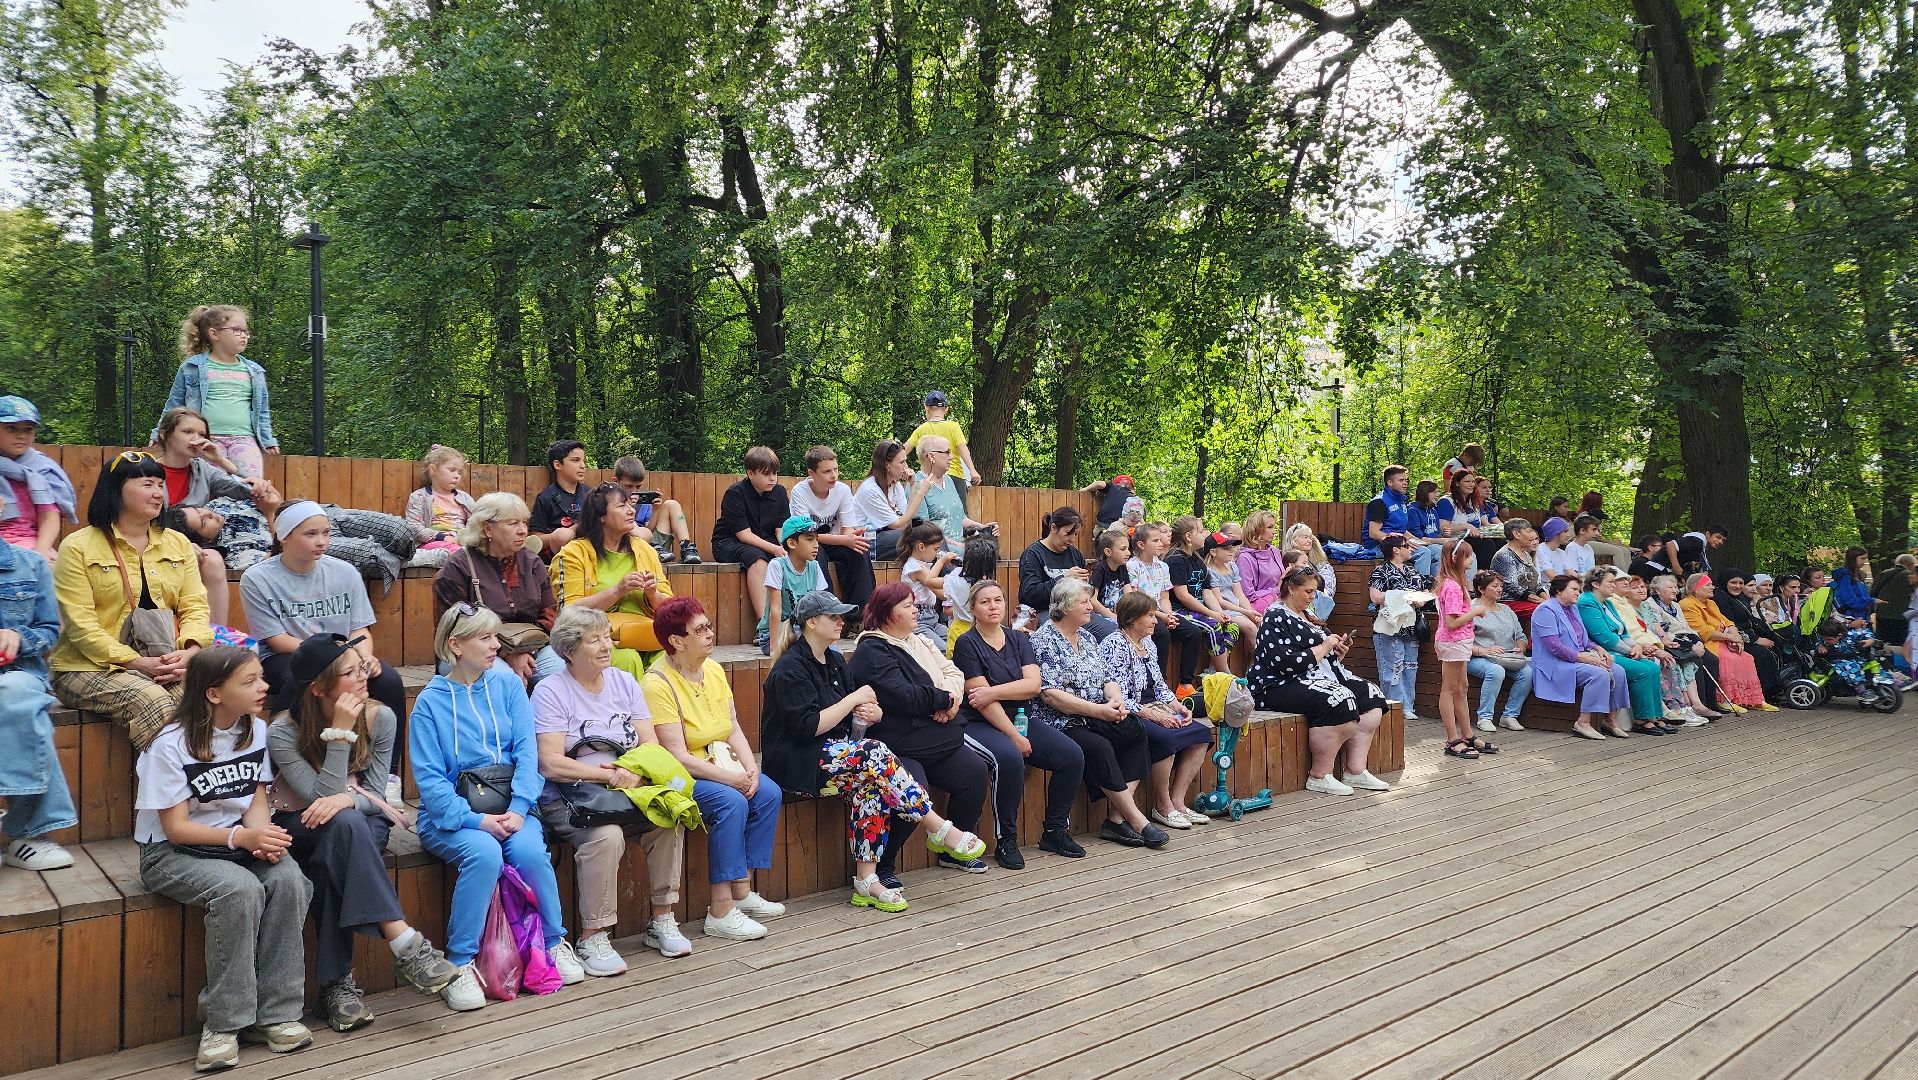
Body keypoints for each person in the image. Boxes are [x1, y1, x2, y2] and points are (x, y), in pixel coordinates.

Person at [265, 634, 459, 1030]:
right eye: (350, 673)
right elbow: (318, 800)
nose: (364, 676)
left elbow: (377, 793)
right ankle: (405, 943)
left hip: (360, 818)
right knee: (340, 833)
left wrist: (350, 801)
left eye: (362, 667)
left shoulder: (380, 717)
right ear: (318, 688)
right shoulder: (283, 732)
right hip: (300, 822)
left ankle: (337, 987)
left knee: (338, 847)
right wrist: (339, 732)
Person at [136, 647, 311, 1070]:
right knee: (239, 890)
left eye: (260, 678)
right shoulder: (170, 745)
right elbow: (176, 828)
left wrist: (263, 836)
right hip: (171, 853)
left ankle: (277, 1014)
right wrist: (243, 838)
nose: (264, 686)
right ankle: (224, 1023)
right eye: (249, 682)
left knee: (288, 879)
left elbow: (255, 799)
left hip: (235, 842)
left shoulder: (256, 729)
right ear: (214, 694)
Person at [760, 591, 986, 911]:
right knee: (874, 753)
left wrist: (872, 713)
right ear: (811, 623)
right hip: (796, 761)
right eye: (833, 617)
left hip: (834, 754)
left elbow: (858, 710)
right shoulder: (790, 668)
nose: (841, 622)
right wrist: (853, 702)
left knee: (873, 780)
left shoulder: (836, 659)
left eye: (842, 615)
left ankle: (866, 880)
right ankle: (938, 828)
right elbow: (808, 727)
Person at [409, 604, 583, 1010]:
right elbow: (431, 784)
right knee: (484, 854)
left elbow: (528, 753)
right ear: (455, 645)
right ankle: (459, 964)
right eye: (484, 637)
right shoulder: (429, 704)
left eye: (495, 636)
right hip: (452, 816)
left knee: (527, 850)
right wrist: (476, 820)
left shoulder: (507, 687)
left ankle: (554, 944)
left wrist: (521, 808)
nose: (495, 645)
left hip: (512, 805)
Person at [531, 606, 692, 968]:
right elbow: (550, 763)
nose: (606, 645)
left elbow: (649, 744)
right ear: (570, 650)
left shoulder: (623, 681)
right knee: (607, 837)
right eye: (595, 640)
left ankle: (662, 918)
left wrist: (634, 772)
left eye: (607, 636)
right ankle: (593, 937)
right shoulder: (550, 691)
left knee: (670, 818)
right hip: (571, 798)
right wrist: (608, 775)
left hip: (627, 788)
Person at [643, 597, 787, 938]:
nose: (710, 633)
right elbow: (676, 755)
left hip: (719, 760)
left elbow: (733, 726)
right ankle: (720, 910)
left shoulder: (713, 668)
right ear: (676, 642)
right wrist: (732, 779)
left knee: (767, 791)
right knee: (730, 801)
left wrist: (750, 769)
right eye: (700, 629)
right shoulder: (656, 683)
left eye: (708, 625)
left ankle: (742, 890)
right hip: (679, 774)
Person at [51, 451, 212, 751]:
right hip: (85, 667)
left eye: (160, 485)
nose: (158, 493)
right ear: (116, 488)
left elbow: (195, 606)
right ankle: (173, 795)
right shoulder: (78, 546)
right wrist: (137, 663)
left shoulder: (177, 543)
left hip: (164, 660)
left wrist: (190, 652)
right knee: (151, 701)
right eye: (147, 484)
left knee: (209, 692)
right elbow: (80, 626)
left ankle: (203, 788)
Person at [849, 582, 997, 881]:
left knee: (974, 773)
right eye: (907, 605)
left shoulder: (919, 641)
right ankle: (886, 866)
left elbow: (954, 673)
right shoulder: (872, 649)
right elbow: (903, 694)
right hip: (900, 746)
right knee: (915, 792)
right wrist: (943, 699)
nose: (915, 609)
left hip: (941, 739)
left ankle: (949, 851)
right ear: (887, 613)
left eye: (914, 604)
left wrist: (951, 704)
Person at [241, 501, 408, 748]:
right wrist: (334, 657)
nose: (321, 541)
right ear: (284, 537)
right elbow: (276, 639)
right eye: (311, 534)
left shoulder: (346, 571)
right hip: (288, 654)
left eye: (326, 533)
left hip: (345, 652)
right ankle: (284, 764)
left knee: (387, 681)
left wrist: (364, 657)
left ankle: (390, 775)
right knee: (298, 680)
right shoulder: (256, 578)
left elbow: (360, 628)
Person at [952, 578, 1087, 867]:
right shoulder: (967, 643)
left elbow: (1033, 686)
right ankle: (1007, 840)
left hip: (1021, 717)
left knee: (1072, 755)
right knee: (1009, 757)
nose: (992, 606)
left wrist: (994, 690)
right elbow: (980, 700)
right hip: (978, 722)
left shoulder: (1019, 639)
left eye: (997, 600)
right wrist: (1013, 735)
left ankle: (1054, 831)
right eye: (985, 601)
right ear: (973, 609)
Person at [1031, 579, 1166, 848]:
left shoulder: (1088, 637)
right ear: (1066, 606)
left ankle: (1116, 819)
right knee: (1099, 746)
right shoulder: (1044, 640)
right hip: (1061, 720)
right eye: (1084, 602)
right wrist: (1100, 711)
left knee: (1135, 729)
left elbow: (1106, 678)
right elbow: (1050, 695)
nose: (1090, 606)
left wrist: (1115, 699)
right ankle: (1137, 820)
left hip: (1097, 712)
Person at [1246, 566, 1392, 793]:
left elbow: (1321, 655)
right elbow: (1285, 664)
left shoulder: (1307, 615)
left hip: (1315, 676)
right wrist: (1324, 647)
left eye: (1315, 592)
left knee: (1371, 696)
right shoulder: (1275, 615)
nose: (1313, 597)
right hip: (1276, 685)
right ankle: (1319, 774)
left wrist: (1337, 651)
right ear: (1291, 588)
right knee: (1339, 699)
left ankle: (1355, 770)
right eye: (1308, 591)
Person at [151, 406, 284, 626]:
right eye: (188, 432)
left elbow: (250, 491)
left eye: (202, 434)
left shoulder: (202, 469)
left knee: (211, 559)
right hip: (154, 541)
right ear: (165, 434)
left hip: (199, 544)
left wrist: (221, 461)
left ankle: (216, 635)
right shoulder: (146, 471)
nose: (197, 439)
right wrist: (177, 543)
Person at [1101, 590, 1214, 827]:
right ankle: (1163, 806)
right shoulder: (1114, 644)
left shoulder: (1148, 643)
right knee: (1166, 737)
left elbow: (1160, 685)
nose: (1156, 620)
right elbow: (1115, 696)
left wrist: (1178, 706)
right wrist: (1154, 715)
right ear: (1133, 618)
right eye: (1150, 616)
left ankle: (1178, 802)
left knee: (1201, 734)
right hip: (1133, 710)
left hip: (1157, 705)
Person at [0, 533, 78, 870]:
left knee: (15, 696)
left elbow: (49, 629)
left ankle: (29, 833)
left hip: (19, 672)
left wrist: (18, 637)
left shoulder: (30, 563)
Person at [432, 492, 564, 685]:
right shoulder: (458, 566)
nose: (522, 531)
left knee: (561, 674)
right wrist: (506, 653)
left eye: (524, 523)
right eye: (513, 523)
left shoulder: (532, 562)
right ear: (487, 529)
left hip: (531, 646)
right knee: (503, 679)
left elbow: (551, 612)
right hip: (470, 650)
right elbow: (453, 628)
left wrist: (525, 649)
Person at [555, 483, 675, 677]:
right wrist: (618, 590)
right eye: (621, 506)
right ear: (601, 516)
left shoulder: (645, 549)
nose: (631, 511)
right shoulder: (573, 553)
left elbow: (672, 609)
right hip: (595, 638)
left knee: (674, 654)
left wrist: (653, 594)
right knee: (627, 658)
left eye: (630, 505)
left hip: (645, 635)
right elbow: (568, 612)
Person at [158, 306, 279, 478]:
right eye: (237, 330)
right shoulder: (192, 367)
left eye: (246, 331)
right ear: (214, 334)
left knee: (251, 486)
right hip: (206, 440)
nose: (244, 335)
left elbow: (263, 411)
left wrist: (267, 438)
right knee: (210, 487)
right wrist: (159, 432)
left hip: (244, 439)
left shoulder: (254, 371)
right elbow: (174, 404)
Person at [1530, 574, 1635, 741]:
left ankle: (1610, 719)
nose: (1578, 593)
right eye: (1574, 589)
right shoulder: (1545, 610)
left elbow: (1583, 640)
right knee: (1598, 674)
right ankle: (1583, 722)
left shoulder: (1573, 608)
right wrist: (1585, 659)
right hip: (1555, 663)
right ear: (1558, 590)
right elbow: (1554, 647)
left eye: (1579, 590)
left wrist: (1598, 648)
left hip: (1578, 658)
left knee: (1618, 671)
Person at [1576, 566, 1675, 735]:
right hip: (1603, 651)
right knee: (1641, 670)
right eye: (1610, 582)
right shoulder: (1587, 602)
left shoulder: (1607, 602)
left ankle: (1655, 716)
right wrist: (1630, 650)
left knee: (1652, 667)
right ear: (1595, 584)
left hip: (1621, 649)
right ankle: (1641, 719)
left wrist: (1635, 646)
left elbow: (1623, 631)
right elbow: (1604, 637)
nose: (1614, 585)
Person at [712, 446, 791, 642]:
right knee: (757, 559)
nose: (773, 478)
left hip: (766, 541)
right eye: (766, 474)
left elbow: (781, 528)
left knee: (792, 558)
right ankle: (764, 628)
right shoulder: (735, 493)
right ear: (750, 473)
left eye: (775, 473)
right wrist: (774, 549)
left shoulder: (780, 492)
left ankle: (794, 622)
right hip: (729, 542)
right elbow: (744, 535)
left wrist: (785, 549)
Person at [1610, 573, 1706, 726]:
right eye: (1635, 588)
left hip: (1654, 643)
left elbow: (1652, 628)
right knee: (1660, 662)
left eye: (1642, 586)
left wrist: (1660, 644)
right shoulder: (1621, 605)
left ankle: (1685, 706)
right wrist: (1657, 646)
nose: (1641, 590)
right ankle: (1668, 708)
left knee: (1682, 660)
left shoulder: (1642, 606)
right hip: (1636, 646)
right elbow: (1631, 632)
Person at [788, 446, 875, 613]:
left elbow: (847, 530)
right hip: (807, 541)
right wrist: (845, 540)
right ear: (812, 473)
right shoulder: (800, 492)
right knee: (814, 551)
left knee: (860, 551)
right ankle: (826, 612)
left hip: (835, 540)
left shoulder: (842, 490)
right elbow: (806, 534)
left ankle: (861, 615)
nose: (834, 475)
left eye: (835, 469)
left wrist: (852, 538)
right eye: (827, 471)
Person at [1435, 539, 1501, 755]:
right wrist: (1475, 611)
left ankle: (1467, 735)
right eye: (1468, 555)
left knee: (1462, 687)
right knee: (1449, 689)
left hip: (1461, 642)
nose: (1472, 559)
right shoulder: (1452, 586)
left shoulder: (1456, 582)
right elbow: (1452, 622)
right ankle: (1452, 740)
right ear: (1455, 559)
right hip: (1453, 642)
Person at [1128, 521, 1208, 687]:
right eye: (1155, 541)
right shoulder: (1132, 566)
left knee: (1193, 632)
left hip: (1162, 612)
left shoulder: (1163, 566)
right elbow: (1136, 598)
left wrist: (1169, 615)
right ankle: (1159, 683)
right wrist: (1162, 616)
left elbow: (1164, 597)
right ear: (1141, 545)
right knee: (1162, 633)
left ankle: (1185, 684)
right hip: (1142, 612)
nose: (1161, 543)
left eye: (1160, 540)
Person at [0, 396, 75, 565]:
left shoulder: (43, 469)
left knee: (55, 570)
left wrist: (41, 552)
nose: (21, 435)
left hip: (30, 544)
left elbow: (49, 516)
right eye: (11, 428)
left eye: (28, 429)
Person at [1680, 574, 1770, 711]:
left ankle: (1752, 699)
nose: (1712, 587)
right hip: (1708, 641)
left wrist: (1736, 636)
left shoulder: (1711, 603)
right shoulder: (1687, 604)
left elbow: (1727, 622)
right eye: (1708, 585)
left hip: (1723, 639)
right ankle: (1724, 699)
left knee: (1746, 657)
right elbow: (1703, 631)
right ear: (1695, 589)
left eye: (1712, 584)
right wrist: (1730, 638)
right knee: (1728, 659)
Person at [1641, 574, 1725, 720]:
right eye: (1670, 587)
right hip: (1671, 642)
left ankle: (1710, 702)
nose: (1674, 590)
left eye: (1675, 587)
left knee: (1711, 659)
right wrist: (1690, 645)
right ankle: (1698, 704)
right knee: (1696, 660)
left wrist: (1696, 640)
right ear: (1658, 590)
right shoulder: (1651, 605)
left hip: (1686, 640)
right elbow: (1663, 632)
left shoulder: (1676, 605)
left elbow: (1686, 627)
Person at [1166, 516, 1237, 689]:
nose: (1204, 534)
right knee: (1213, 626)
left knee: (1232, 626)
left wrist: (1219, 612)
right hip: (1179, 610)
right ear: (1188, 536)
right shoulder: (1175, 560)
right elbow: (1182, 596)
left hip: (1199, 610)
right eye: (1200, 530)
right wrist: (1211, 614)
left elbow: (1207, 593)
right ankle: (1226, 676)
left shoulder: (1198, 560)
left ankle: (1214, 671)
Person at [1368, 536, 1427, 722]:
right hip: (1389, 626)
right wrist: (1403, 597)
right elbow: (1375, 597)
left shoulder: (1412, 571)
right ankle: (1394, 706)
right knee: (1393, 666)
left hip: (1411, 625)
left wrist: (1420, 599)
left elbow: (1422, 593)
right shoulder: (1381, 572)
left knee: (1410, 666)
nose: (1411, 549)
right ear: (1395, 549)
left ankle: (1408, 706)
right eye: (1407, 546)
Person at [1019, 506, 1105, 635]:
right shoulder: (1032, 554)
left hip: (1076, 611)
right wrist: (1064, 578)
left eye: (1075, 534)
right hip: (1042, 612)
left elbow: (1085, 593)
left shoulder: (1076, 554)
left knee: (1110, 631)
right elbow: (1030, 593)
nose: (1072, 539)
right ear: (1053, 528)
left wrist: (1085, 584)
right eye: (1068, 533)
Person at [1465, 571, 1532, 733]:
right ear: (1481, 589)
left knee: (1528, 672)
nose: (1500, 589)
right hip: (1477, 657)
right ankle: (1485, 717)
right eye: (1495, 586)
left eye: (1501, 586)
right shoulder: (1471, 609)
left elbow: (1520, 635)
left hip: (1507, 657)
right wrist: (1484, 650)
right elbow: (1462, 642)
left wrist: (1520, 647)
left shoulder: (1506, 609)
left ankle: (1509, 716)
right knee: (1495, 671)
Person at [611, 456, 701, 565]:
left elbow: (649, 530)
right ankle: (654, 551)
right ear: (615, 481)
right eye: (628, 486)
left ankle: (686, 548)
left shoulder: (643, 503)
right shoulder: (610, 501)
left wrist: (656, 510)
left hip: (653, 545)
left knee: (672, 504)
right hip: (627, 545)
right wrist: (628, 508)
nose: (634, 491)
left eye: (638, 487)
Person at [852, 440, 932, 561]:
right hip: (867, 542)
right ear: (886, 464)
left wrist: (912, 485)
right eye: (901, 462)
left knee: (932, 531)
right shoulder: (870, 489)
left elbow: (907, 516)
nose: (906, 467)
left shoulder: (895, 485)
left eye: (905, 461)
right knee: (921, 534)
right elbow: (899, 525)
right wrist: (921, 493)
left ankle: (942, 575)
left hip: (887, 536)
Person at [763, 515, 831, 657]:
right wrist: (774, 649)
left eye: (817, 539)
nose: (816, 545)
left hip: (805, 630)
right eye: (809, 539)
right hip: (776, 634)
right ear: (792, 543)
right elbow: (775, 610)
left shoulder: (814, 566)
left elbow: (821, 606)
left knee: (831, 651)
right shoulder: (777, 565)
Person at [914, 435, 996, 553]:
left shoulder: (949, 480)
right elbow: (922, 531)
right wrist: (959, 546)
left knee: (989, 549)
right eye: (947, 452)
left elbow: (961, 518)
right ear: (931, 456)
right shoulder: (917, 485)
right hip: (935, 550)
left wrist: (984, 527)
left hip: (958, 547)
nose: (951, 457)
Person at [904, 390, 982, 503]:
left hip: (930, 478)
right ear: (946, 409)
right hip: (954, 475)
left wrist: (904, 468)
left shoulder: (921, 429)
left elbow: (903, 450)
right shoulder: (953, 426)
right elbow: (962, 448)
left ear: (926, 408)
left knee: (934, 515)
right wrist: (972, 470)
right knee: (959, 515)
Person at [402, 444, 475, 559]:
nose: (457, 476)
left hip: (462, 543)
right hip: (431, 544)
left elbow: (476, 523)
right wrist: (442, 537)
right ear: (433, 470)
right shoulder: (419, 497)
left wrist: (469, 539)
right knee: (460, 553)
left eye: (459, 472)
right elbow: (413, 528)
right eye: (452, 470)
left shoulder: (465, 498)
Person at [529, 439, 591, 555]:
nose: (583, 466)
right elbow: (534, 540)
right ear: (558, 465)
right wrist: (562, 535)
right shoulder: (545, 498)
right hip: (559, 559)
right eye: (576, 460)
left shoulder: (591, 494)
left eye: (583, 461)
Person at [900, 522, 955, 648]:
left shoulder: (923, 565)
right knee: (942, 650)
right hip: (919, 620)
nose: (937, 553)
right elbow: (939, 589)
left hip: (932, 618)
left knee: (957, 643)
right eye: (936, 549)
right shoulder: (915, 567)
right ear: (921, 547)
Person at [943, 534, 999, 655]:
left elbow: (929, 580)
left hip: (962, 628)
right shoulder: (990, 583)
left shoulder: (955, 580)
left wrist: (942, 561)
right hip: (978, 629)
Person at [1206, 531, 1261, 644]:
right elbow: (1220, 601)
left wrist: (1250, 611)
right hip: (1224, 611)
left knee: (1260, 622)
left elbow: (1240, 594)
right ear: (1213, 552)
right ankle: (1259, 660)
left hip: (1238, 609)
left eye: (1232, 547)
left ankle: (1254, 660)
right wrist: (1245, 612)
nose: (1231, 551)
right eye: (1226, 548)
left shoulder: (1232, 566)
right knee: (1250, 627)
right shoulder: (1210, 571)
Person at [1488, 519, 1547, 624]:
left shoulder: (1526, 554)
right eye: (1528, 531)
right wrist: (1540, 601)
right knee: (1544, 611)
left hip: (1526, 600)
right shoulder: (1504, 555)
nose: (1531, 535)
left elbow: (1534, 583)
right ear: (1516, 534)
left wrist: (1547, 598)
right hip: (1508, 602)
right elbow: (1513, 587)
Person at [1284, 523, 1338, 622]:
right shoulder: (1288, 560)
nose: (1309, 540)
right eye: (1305, 537)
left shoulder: (1318, 562)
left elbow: (1328, 587)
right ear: (1293, 540)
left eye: (1310, 537)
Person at [1237, 510, 1286, 615]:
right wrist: (1276, 590)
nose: (1274, 531)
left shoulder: (1275, 551)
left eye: (1274, 527)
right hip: (1258, 608)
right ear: (1256, 529)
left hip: (1281, 601)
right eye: (1270, 527)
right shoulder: (1244, 558)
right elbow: (1248, 594)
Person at [1360, 466, 1413, 557]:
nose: (1405, 483)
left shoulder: (1400, 501)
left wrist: (1421, 541)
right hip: (1377, 546)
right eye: (1401, 480)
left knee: (1435, 550)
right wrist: (1402, 543)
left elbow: (1401, 530)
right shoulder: (1379, 502)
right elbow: (1374, 533)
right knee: (1423, 553)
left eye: (1406, 480)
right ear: (1390, 482)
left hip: (1398, 543)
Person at [1404, 480, 1445, 578]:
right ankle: (1425, 584)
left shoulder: (1434, 511)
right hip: (1419, 544)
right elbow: (1418, 538)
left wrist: (1444, 534)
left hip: (1431, 543)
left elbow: (1436, 534)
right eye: (1434, 492)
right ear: (1425, 493)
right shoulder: (1413, 511)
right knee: (1439, 551)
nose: (1437, 495)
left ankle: (1437, 585)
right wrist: (1443, 540)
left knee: (1447, 550)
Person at [1832, 547, 1876, 624]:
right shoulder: (1845, 576)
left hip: (1863, 617)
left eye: (1865, 559)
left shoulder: (1858, 575)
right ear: (1853, 558)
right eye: (1862, 558)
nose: (1865, 561)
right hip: (1853, 618)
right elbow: (1849, 599)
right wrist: (1869, 601)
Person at [1535, 516, 1577, 581]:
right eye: (1565, 532)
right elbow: (1552, 577)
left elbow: (1571, 573)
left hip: (1560, 587)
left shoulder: (1561, 552)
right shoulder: (1541, 550)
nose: (1568, 535)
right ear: (1555, 533)